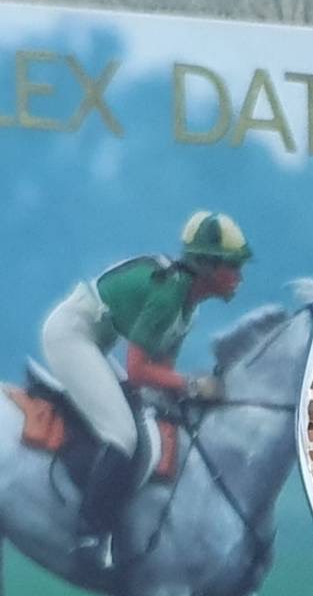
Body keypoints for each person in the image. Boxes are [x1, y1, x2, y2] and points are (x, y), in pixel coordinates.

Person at [41, 211, 252, 572]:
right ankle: (88, 534)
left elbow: (159, 374)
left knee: (146, 419)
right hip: (70, 336)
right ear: (206, 267)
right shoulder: (169, 297)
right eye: (231, 265)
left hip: (95, 342)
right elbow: (138, 371)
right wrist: (194, 385)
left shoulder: (188, 309)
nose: (239, 275)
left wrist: (188, 394)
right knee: (123, 435)